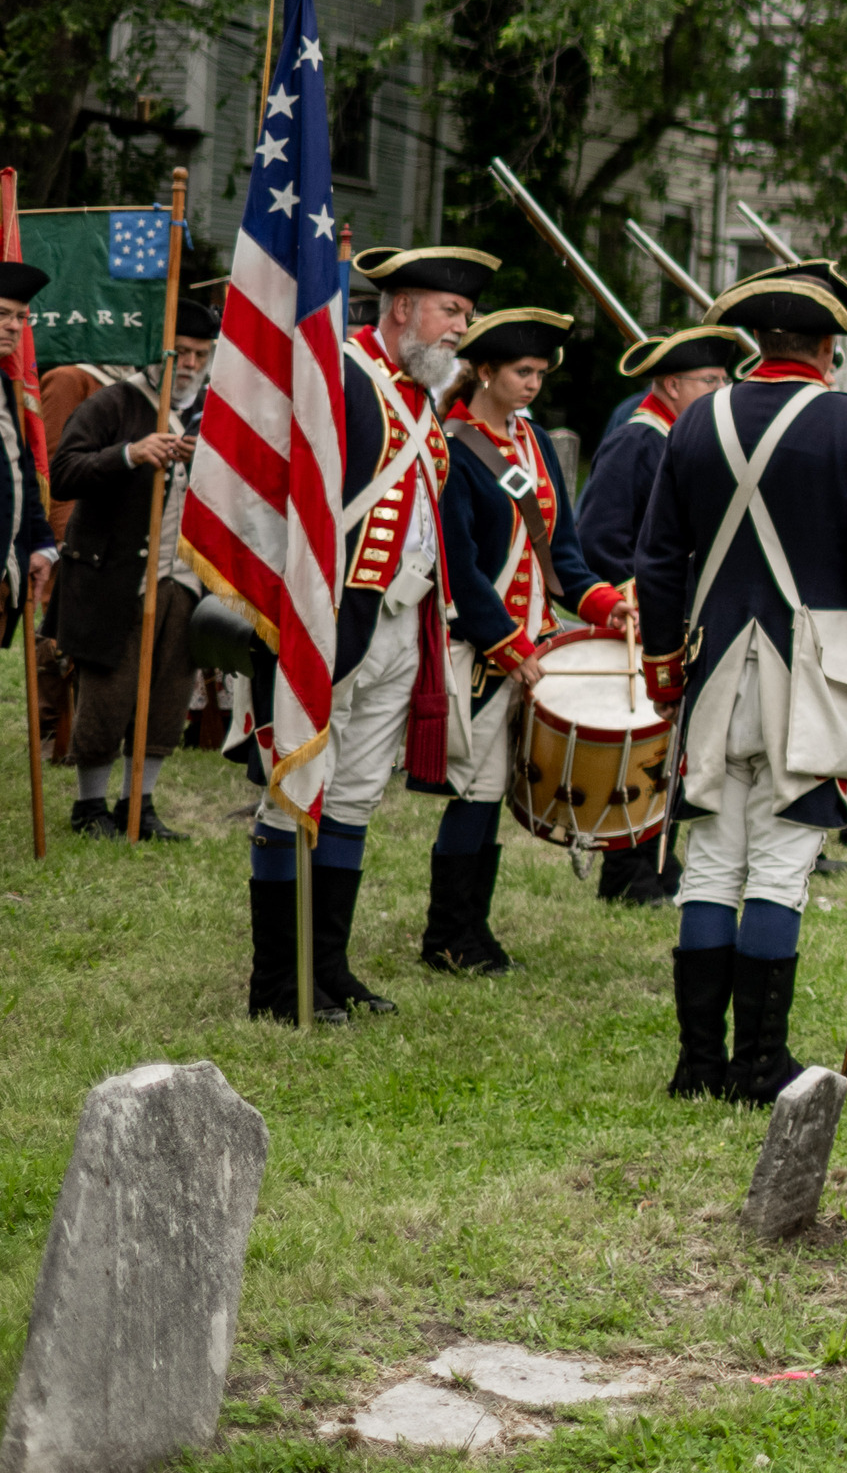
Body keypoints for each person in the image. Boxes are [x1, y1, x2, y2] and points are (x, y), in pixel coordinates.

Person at [632, 265, 847, 1104]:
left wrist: (662, 666)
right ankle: (758, 1067)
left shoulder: (693, 421)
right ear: (828, 350)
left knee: (713, 859)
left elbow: (656, 559)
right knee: (782, 863)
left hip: (716, 668)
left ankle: (698, 1065)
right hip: (815, 675)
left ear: (761, 344)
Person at [241, 247, 519, 1025]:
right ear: (401, 308)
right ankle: (277, 984)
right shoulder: (340, 375)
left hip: (402, 625)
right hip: (330, 620)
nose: (462, 328)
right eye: (450, 312)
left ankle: (328, 970)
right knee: (294, 789)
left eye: (465, 316)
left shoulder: (420, 392)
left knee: (356, 795)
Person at [423, 305, 627, 971]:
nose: (533, 383)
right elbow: (458, 561)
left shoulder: (533, 442)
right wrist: (506, 644)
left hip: (530, 648)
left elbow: (559, 552)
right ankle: (447, 934)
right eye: (521, 371)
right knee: (473, 792)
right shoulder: (454, 444)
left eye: (540, 372)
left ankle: (472, 927)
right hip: (483, 650)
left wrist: (602, 604)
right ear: (484, 371)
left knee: (496, 792)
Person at [575, 323, 745, 908]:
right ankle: (627, 876)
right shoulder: (639, 439)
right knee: (641, 750)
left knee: (671, 753)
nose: (723, 389)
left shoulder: (688, 436)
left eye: (726, 379)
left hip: (680, 618)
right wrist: (648, 599)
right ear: (670, 383)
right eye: (710, 379)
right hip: (643, 620)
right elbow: (599, 538)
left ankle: (657, 864)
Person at [49, 285, 216, 840]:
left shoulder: (215, 415)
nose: (190, 364)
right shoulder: (115, 403)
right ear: (159, 349)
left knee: (170, 695)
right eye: (181, 352)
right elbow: (66, 470)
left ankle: (138, 806)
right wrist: (130, 453)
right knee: (109, 691)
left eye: (200, 353)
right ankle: (90, 806)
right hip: (114, 576)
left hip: (185, 582)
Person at [2, 264, 65, 796]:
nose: (13, 327)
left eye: (21, 318)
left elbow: (21, 471)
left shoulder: (6, 384)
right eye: (3, 314)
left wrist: (40, 543)